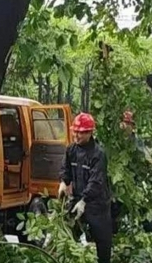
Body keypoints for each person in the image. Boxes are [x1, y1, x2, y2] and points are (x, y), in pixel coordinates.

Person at [59, 112, 112, 263]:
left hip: (97, 204)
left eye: (80, 133)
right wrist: (63, 181)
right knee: (67, 235)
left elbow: (96, 181)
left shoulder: (98, 154)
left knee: (102, 240)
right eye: (74, 131)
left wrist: (84, 200)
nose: (76, 135)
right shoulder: (71, 150)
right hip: (77, 200)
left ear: (90, 133)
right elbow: (65, 169)